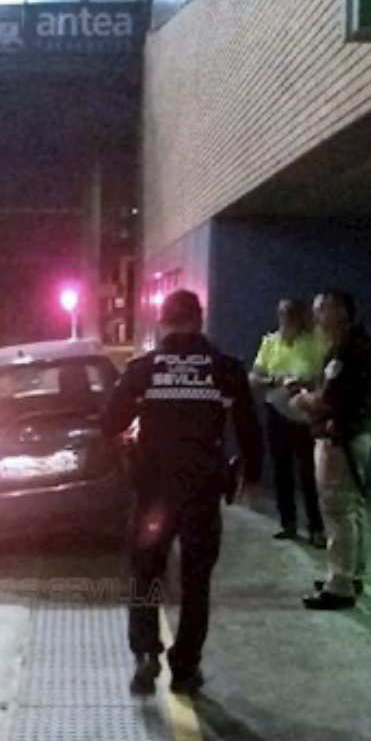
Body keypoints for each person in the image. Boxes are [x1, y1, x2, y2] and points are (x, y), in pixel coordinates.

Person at [103, 289, 264, 695]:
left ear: (162, 320)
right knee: (196, 581)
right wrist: (254, 474)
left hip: (153, 490)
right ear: (200, 319)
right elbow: (248, 427)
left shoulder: (144, 368)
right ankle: (185, 669)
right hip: (202, 490)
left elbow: (110, 420)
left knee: (145, 574)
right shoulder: (226, 368)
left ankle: (145, 655)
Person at [289, 290, 371, 611]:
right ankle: (351, 574)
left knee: (338, 511)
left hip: (339, 440)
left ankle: (339, 585)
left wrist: (302, 399)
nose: (316, 318)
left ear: (341, 311)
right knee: (352, 509)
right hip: (354, 436)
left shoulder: (347, 350)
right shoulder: (358, 345)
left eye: (321, 310)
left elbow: (327, 400)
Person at [250, 298, 327, 546]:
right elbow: (253, 377)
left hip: (306, 415)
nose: (286, 320)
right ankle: (288, 523)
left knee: (309, 473)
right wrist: (271, 381)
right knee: (282, 471)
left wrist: (304, 383)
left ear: (301, 317)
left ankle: (316, 527)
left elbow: (324, 378)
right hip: (277, 413)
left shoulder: (314, 343)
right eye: (283, 315)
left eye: (292, 315)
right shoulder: (270, 342)